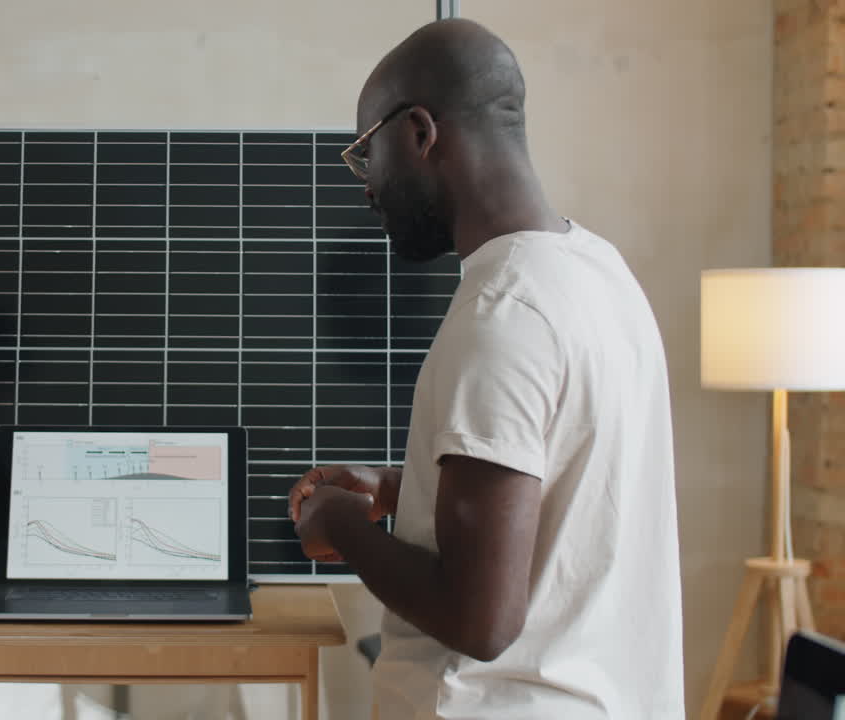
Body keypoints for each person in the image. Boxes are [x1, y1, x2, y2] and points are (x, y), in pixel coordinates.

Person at [287, 19, 685, 719]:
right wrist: (399, 490)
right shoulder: (599, 273)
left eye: (365, 153)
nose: (367, 187)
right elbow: (567, 499)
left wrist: (344, 525)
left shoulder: (502, 317)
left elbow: (479, 619)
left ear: (419, 134)